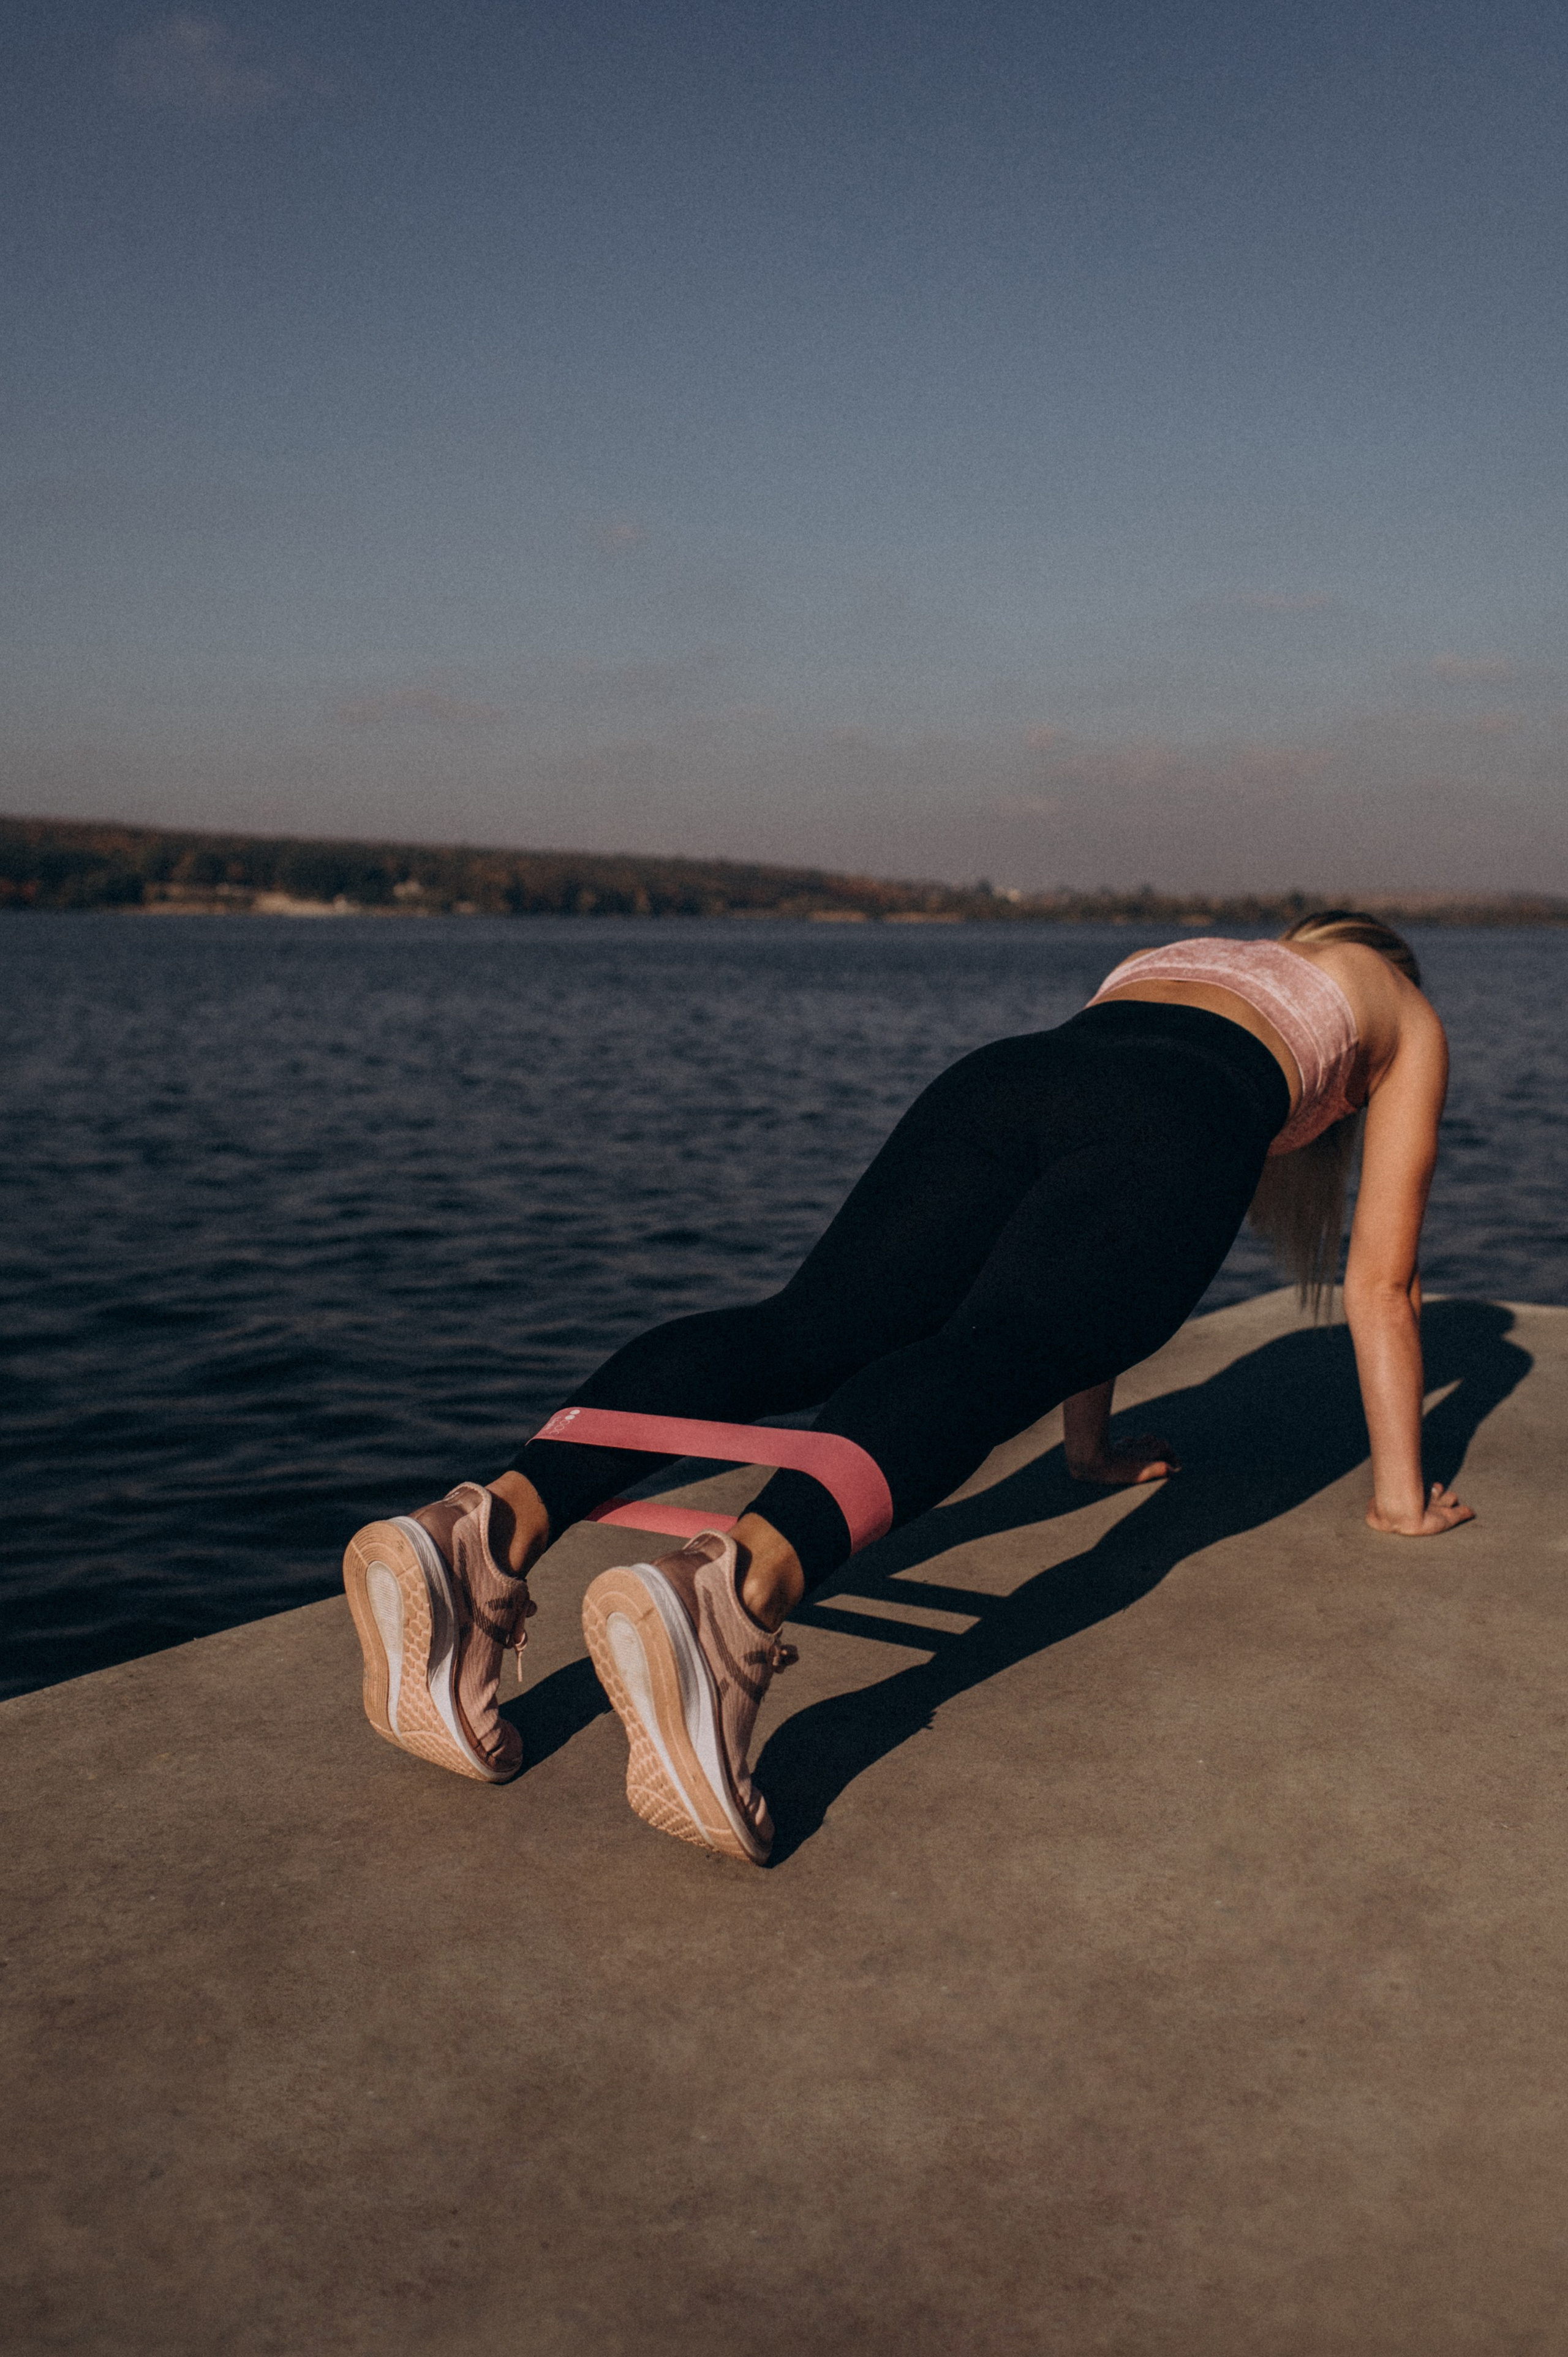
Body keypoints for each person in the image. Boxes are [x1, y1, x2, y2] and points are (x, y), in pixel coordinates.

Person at [343, 910, 1472, 1864]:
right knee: (995, 1351)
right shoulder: (1403, 1011)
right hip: (1176, 1116)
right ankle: (731, 1595)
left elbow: (1074, 1223)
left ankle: (481, 1529)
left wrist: (1089, 1450)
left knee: (808, 1327)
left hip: (1004, 1079)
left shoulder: (1194, 957)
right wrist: (1400, 1501)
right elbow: (1384, 1286)